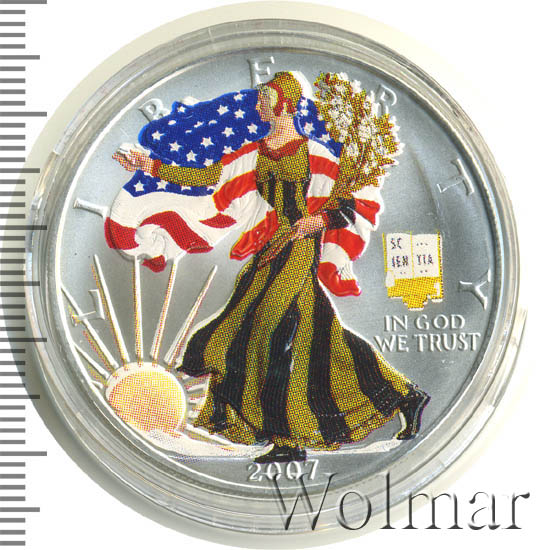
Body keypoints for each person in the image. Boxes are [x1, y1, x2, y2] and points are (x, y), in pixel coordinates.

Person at [114, 72, 430, 463]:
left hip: (301, 246)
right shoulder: (255, 152)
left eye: (266, 98)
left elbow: (347, 203)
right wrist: (149, 164)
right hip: (272, 245)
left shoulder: (315, 152)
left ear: (284, 103)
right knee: (314, 333)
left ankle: (286, 439)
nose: (260, 104)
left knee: (272, 326)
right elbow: (207, 177)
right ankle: (404, 395)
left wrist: (319, 220)